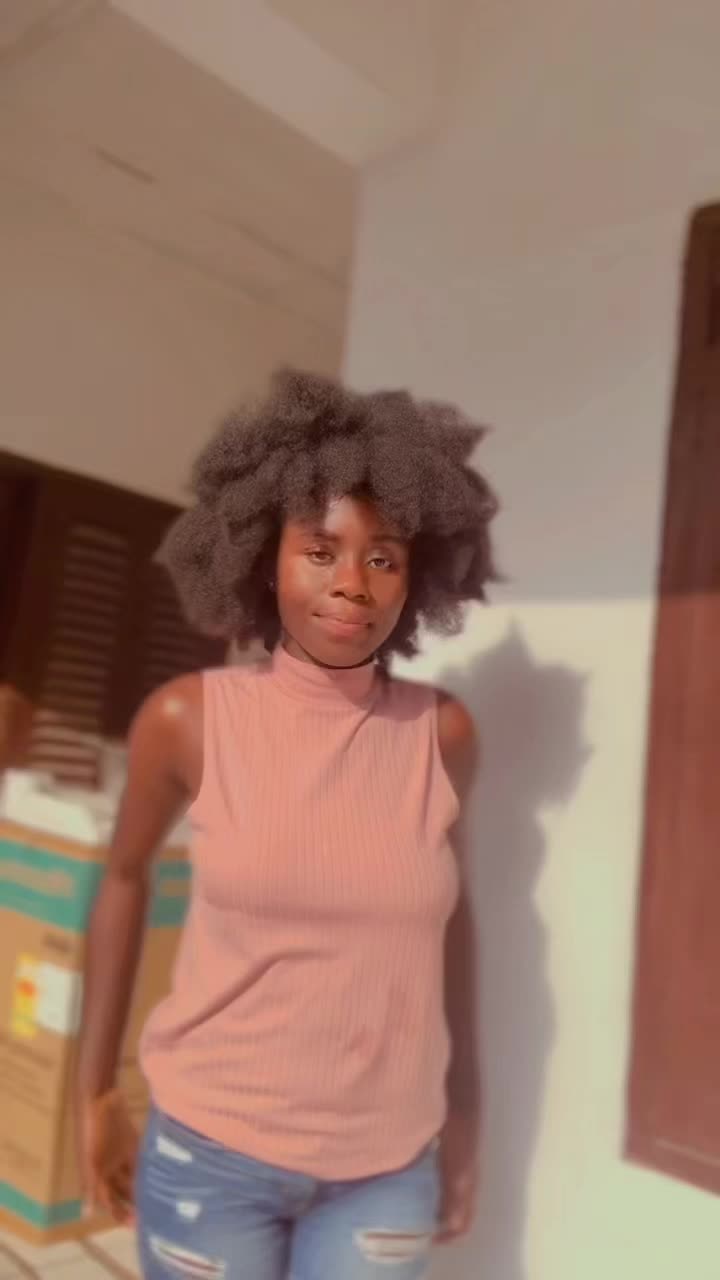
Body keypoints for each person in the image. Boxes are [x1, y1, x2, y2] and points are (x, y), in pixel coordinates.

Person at [76, 369, 499, 1280]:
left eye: (383, 558)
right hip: (212, 1155)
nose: (352, 584)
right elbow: (122, 878)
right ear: (263, 558)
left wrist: (466, 1111)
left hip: (387, 1170)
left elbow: (450, 919)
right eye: (320, 550)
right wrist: (96, 1088)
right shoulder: (188, 721)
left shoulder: (442, 734)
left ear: (416, 580)